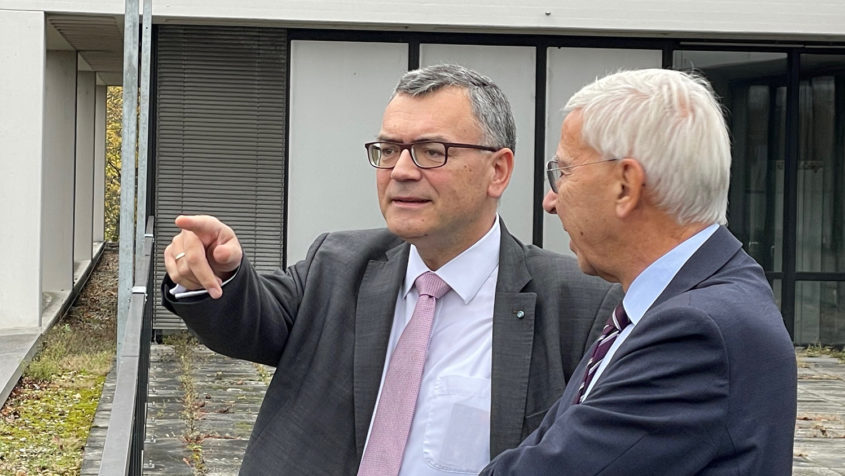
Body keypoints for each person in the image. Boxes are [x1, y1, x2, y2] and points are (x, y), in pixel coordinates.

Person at [161, 64, 621, 475]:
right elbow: (252, 320)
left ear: (497, 171)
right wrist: (220, 274)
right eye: (388, 149)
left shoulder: (578, 304)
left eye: (430, 150)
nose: (400, 170)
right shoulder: (338, 263)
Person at [480, 68, 797, 475]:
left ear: (626, 185)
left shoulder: (695, 332)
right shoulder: (673, 305)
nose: (550, 200)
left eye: (564, 172)